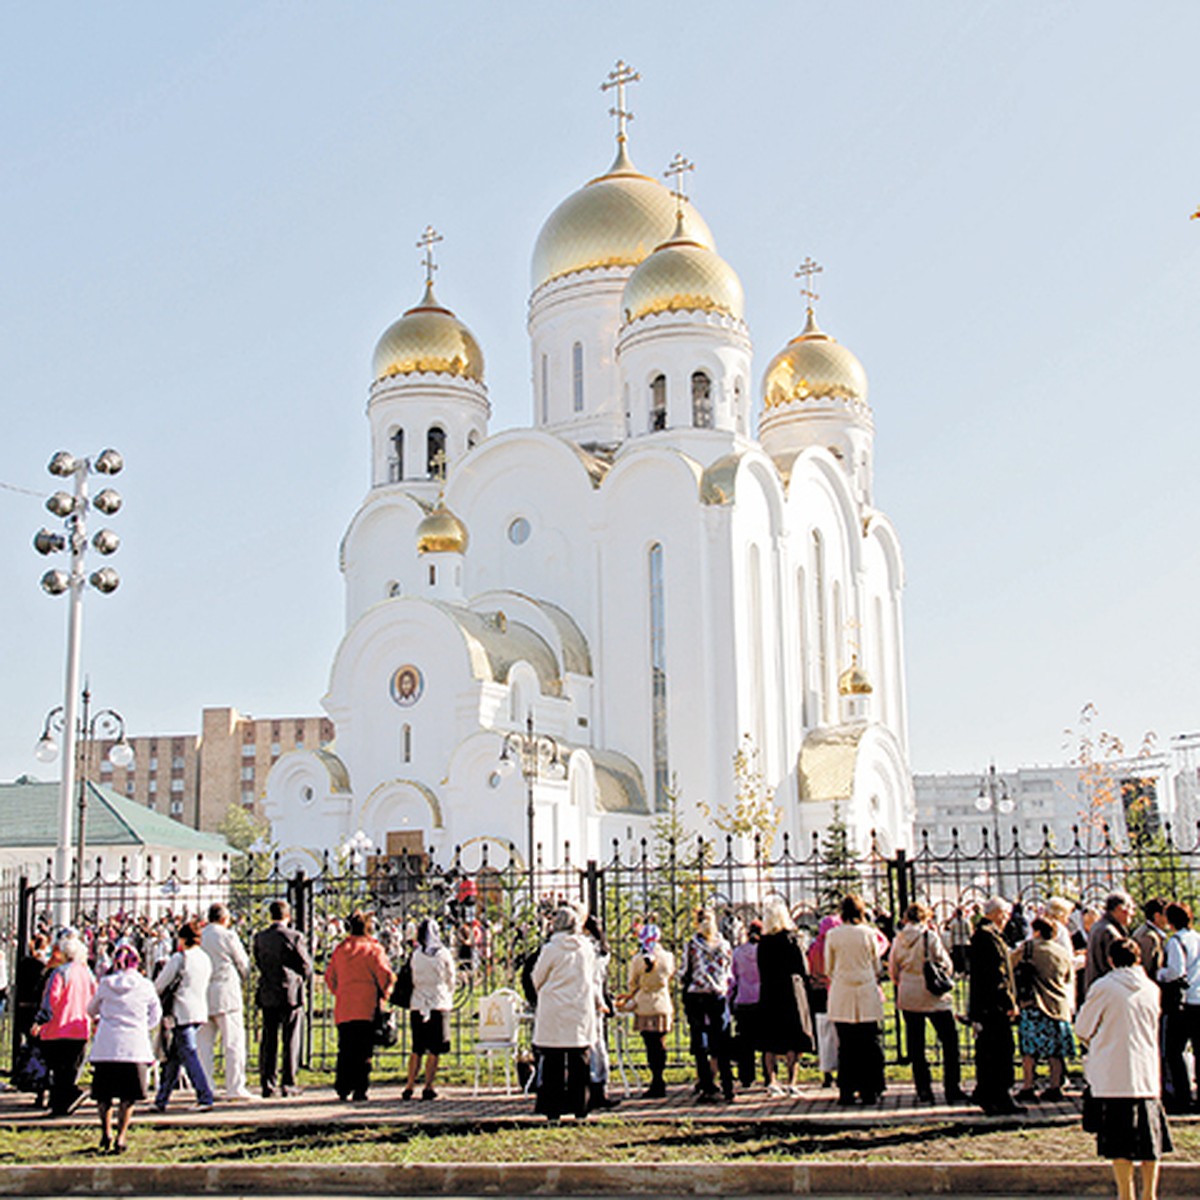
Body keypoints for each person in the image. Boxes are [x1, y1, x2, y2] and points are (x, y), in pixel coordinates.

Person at [1076, 938, 1173, 1200]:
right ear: (1138, 958)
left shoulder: (1104, 987)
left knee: (1119, 1141)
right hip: (1146, 1074)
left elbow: (1083, 1027)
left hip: (1113, 1073)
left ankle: (1125, 1193)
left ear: (1110, 960)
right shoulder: (1152, 988)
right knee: (1150, 1140)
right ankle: (1149, 1193)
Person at [87, 945, 161, 1153]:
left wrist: (103, 1017)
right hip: (134, 1046)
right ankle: (121, 1135)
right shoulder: (145, 985)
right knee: (128, 1097)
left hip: (107, 1044)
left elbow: (91, 1009)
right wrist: (142, 1026)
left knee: (104, 1095)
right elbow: (155, 1014)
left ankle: (106, 1131)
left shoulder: (106, 984)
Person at [889, 902, 965, 1104]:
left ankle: (923, 1088)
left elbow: (892, 969)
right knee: (949, 1041)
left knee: (916, 1044)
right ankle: (952, 1087)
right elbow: (945, 963)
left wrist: (902, 981)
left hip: (909, 994)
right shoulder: (929, 936)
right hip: (932, 995)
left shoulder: (899, 939)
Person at [531, 905, 597, 1122]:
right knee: (580, 1062)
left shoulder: (551, 949)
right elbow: (593, 976)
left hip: (554, 1010)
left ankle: (553, 1111)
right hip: (579, 1008)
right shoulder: (585, 948)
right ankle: (581, 1109)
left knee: (553, 1063)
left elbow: (537, 977)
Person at [324, 910, 395, 1103]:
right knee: (364, 1050)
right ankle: (360, 1088)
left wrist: (340, 992)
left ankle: (343, 1085)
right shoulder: (373, 949)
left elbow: (330, 977)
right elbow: (385, 975)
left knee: (345, 1048)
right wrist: (385, 994)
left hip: (345, 1007)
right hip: (367, 1007)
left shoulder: (341, 949)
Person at [826, 893, 885, 1107]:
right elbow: (876, 965)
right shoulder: (869, 934)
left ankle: (847, 1090)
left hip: (842, 992)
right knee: (868, 1043)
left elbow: (828, 967)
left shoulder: (833, 935)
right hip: (865, 990)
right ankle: (870, 1089)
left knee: (847, 1045)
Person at [967, 896, 1024, 1115]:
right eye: (1004, 913)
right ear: (994, 914)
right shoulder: (987, 937)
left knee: (990, 1050)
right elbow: (997, 973)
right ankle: (998, 1095)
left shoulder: (988, 935)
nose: (1006, 918)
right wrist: (1008, 1001)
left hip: (988, 1004)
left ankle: (988, 1093)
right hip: (993, 1006)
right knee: (999, 1051)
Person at [31, 931, 96, 1116]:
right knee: (70, 1069)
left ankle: (67, 1098)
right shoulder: (87, 974)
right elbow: (94, 997)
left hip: (58, 1028)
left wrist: (40, 1020)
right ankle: (63, 1103)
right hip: (80, 1026)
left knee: (57, 1069)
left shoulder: (60, 973)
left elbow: (51, 999)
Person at [153, 918, 215, 1112]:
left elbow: (161, 984)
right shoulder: (204, 958)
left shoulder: (180, 959)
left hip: (181, 1011)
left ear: (182, 939)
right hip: (199, 1009)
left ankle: (204, 1095)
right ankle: (161, 1099)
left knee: (188, 1053)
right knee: (174, 1057)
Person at [253, 899, 312, 1098]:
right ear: (288, 916)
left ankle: (267, 1082)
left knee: (269, 1040)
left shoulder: (260, 937)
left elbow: (258, 961)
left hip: (268, 991)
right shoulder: (294, 937)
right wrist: (299, 976)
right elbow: (306, 965)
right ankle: (288, 1082)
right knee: (291, 1038)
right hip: (290, 993)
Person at [1012, 916, 1075, 1102]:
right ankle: (1055, 1086)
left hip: (1034, 1003)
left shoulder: (1028, 948)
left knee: (1029, 1051)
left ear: (1036, 931)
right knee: (1055, 1051)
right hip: (1057, 1005)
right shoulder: (1062, 952)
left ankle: (1028, 1086)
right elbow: (1068, 976)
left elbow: (1010, 963)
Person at [756, 896, 814, 1097]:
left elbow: (761, 968)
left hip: (769, 990)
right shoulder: (792, 939)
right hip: (791, 989)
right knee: (793, 1037)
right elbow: (802, 967)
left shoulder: (764, 943)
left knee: (770, 1037)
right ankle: (792, 1082)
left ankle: (771, 1080)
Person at [198, 903, 253, 1102]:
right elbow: (242, 962)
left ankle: (206, 1086)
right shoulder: (228, 936)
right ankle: (235, 1086)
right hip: (226, 991)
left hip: (203, 992)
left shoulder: (200, 936)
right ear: (224, 919)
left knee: (204, 1045)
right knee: (233, 1043)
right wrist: (245, 977)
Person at [681, 906, 735, 1104]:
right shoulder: (724, 944)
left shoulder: (692, 945)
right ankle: (728, 1085)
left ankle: (707, 1085)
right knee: (721, 1041)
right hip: (718, 995)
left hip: (697, 994)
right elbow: (729, 969)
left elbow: (684, 970)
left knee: (700, 1041)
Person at [620, 919, 674, 1099]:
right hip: (662, 1003)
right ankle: (660, 1077)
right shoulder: (667, 957)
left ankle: (655, 1080)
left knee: (650, 1045)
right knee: (661, 1043)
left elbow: (631, 983)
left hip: (644, 1005)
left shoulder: (637, 960)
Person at [402, 917, 454, 1102]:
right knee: (435, 1049)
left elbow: (413, 977)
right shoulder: (443, 954)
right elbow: (451, 978)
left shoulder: (416, 954)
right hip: (438, 1002)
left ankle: (409, 1084)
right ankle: (428, 1085)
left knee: (417, 1047)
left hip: (418, 1003)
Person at [1158, 901, 1200, 1114]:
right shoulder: (1197, 938)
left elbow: (1176, 970)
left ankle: (1182, 1096)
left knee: (1175, 1050)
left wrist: (1160, 974)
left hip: (1185, 1002)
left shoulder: (1176, 941)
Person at [582, 912, 618, 1111]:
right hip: (597, 998)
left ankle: (592, 1087)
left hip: (588, 998)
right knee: (598, 1043)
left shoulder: (588, 948)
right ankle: (600, 1085)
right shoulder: (603, 948)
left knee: (590, 1044)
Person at [1083, 892, 1135, 999]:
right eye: (1131, 908)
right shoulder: (1109, 932)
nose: (1133, 913)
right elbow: (1117, 968)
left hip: (1098, 989)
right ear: (1120, 908)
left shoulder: (1098, 926)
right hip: (1109, 993)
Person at [729, 920, 762, 1088]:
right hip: (762, 1000)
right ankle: (770, 1074)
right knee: (765, 1040)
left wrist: (730, 997)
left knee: (745, 1040)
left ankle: (746, 1076)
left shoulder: (738, 952)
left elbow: (732, 978)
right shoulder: (764, 952)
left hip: (743, 999)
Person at [1132, 898, 1170, 983]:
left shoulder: (1148, 932)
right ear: (1157, 916)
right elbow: (1146, 969)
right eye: (1166, 915)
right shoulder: (1149, 937)